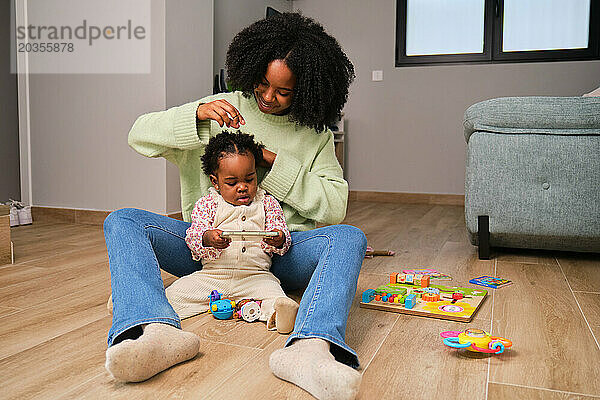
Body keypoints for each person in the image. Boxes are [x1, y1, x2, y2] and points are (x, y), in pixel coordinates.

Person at [103, 12, 366, 400]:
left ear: (307, 90)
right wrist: (193, 115)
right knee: (123, 221)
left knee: (349, 238)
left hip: (279, 252)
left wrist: (271, 162)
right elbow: (138, 135)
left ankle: (311, 346)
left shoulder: (315, 136)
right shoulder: (221, 108)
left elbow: (334, 206)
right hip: (207, 248)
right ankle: (151, 328)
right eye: (263, 83)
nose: (267, 97)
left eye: (283, 91)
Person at [164, 131, 299, 333]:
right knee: (175, 294)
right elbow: (193, 236)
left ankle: (279, 315)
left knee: (276, 296)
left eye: (249, 179)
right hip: (213, 276)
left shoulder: (267, 203)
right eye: (232, 182)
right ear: (215, 181)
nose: (243, 187)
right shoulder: (207, 204)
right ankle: (142, 307)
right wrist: (208, 238)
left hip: (256, 276)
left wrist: (277, 239)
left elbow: (283, 237)